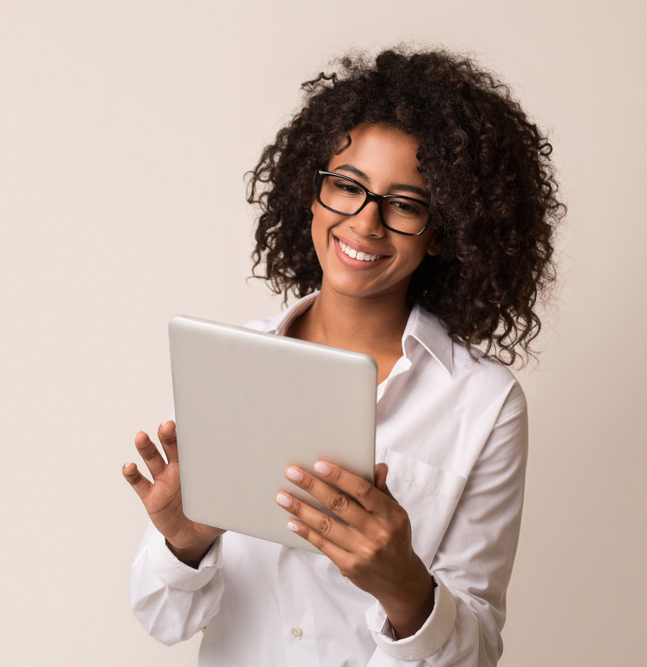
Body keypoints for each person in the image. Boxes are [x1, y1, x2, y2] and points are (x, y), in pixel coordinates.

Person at [122, 46, 563, 666]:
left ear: (445, 231)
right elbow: (161, 618)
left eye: (405, 204)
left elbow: (476, 651)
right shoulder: (229, 363)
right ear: (312, 193)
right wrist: (183, 542)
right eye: (348, 187)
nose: (366, 222)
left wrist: (405, 587)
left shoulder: (484, 402)